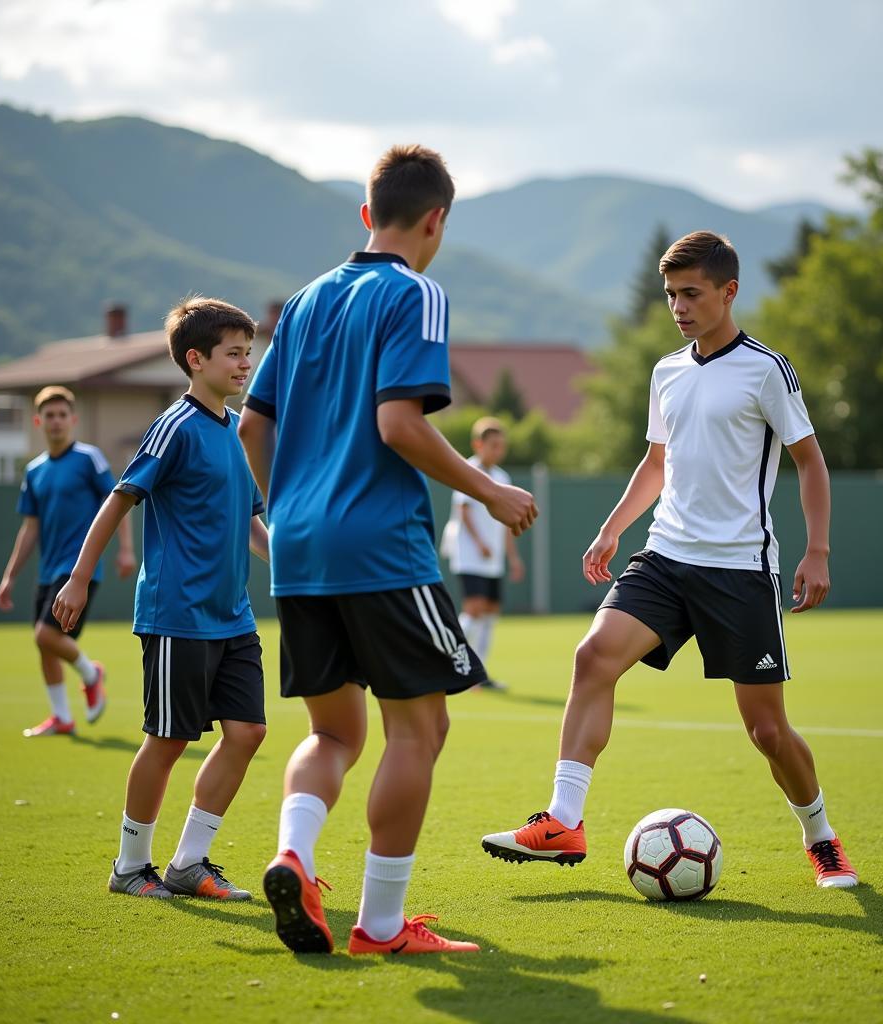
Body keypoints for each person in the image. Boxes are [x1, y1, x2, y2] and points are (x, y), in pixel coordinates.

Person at [481, 231, 858, 890]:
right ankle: (564, 819)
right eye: (670, 295)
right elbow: (657, 463)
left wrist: (817, 549)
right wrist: (610, 531)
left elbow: (810, 461)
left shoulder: (767, 369)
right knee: (592, 657)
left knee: (767, 730)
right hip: (664, 557)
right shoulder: (666, 371)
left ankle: (820, 838)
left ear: (728, 292)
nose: (678, 307)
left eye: (691, 294)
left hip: (740, 570)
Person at [239, 144, 538, 955]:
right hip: (378, 549)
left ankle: (294, 855)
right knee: (419, 730)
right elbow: (398, 425)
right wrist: (492, 490)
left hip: (300, 550)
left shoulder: (300, 303)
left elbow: (251, 423)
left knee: (333, 734)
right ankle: (378, 925)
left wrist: (285, 507)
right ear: (436, 219)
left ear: (367, 214)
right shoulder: (418, 292)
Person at [52, 297, 270, 901]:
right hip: (179, 615)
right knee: (168, 741)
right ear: (195, 359)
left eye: (247, 352)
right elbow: (120, 499)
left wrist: (292, 566)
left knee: (248, 732)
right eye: (233, 352)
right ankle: (129, 866)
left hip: (233, 616)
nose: (244, 362)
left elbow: (253, 523)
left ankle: (190, 863)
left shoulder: (233, 430)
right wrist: (77, 577)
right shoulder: (175, 426)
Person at [0, 386, 135, 737]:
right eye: (50, 415)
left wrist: (125, 548)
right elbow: (30, 529)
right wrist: (9, 577)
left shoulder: (89, 458)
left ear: (73, 420)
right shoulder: (34, 470)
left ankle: (92, 674)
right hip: (48, 570)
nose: (56, 422)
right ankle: (61, 717)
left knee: (46, 635)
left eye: (62, 415)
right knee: (43, 642)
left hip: (78, 570)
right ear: (38, 421)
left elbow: (118, 501)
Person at [443, 416, 525, 690]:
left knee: (490, 612)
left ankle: (480, 674)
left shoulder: (503, 477)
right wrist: (479, 544)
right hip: (470, 556)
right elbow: (463, 511)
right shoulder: (468, 470)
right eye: (493, 445)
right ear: (478, 444)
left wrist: (512, 557)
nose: (497, 450)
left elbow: (506, 524)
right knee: (474, 609)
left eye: (501, 445)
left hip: (493, 561)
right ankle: (448, 663)